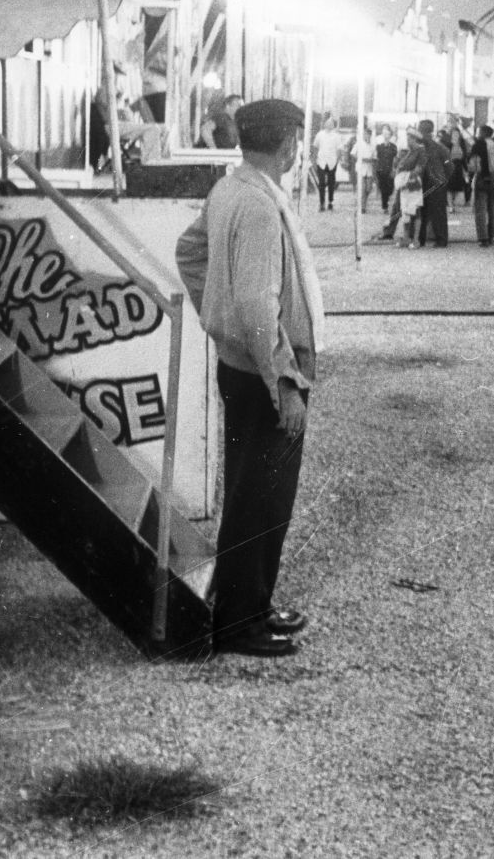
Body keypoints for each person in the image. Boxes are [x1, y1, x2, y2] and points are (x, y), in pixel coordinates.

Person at [174, 98, 324, 658]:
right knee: (262, 501)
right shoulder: (259, 207)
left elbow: (189, 252)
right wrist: (284, 382)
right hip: (266, 376)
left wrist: (218, 318)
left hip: (240, 366)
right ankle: (240, 623)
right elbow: (260, 307)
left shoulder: (230, 189)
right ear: (288, 144)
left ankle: (251, 606)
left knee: (249, 494)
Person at [414, 119, 452, 247]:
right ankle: (441, 240)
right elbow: (450, 166)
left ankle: (420, 239)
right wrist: (444, 178)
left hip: (422, 183)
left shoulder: (419, 146)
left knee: (421, 212)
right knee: (439, 213)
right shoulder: (441, 147)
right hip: (438, 183)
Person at [470, 123, 494, 247]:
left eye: (478, 132)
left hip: (481, 176)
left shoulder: (478, 145)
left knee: (480, 208)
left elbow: (473, 162)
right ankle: (491, 235)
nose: (477, 134)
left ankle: (483, 237)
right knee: (492, 208)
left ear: (484, 133)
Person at [312, 114, 344, 212]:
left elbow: (339, 149)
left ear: (333, 125)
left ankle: (330, 202)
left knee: (331, 183)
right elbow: (315, 147)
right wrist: (315, 159)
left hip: (332, 162)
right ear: (325, 124)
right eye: (327, 123)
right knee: (321, 183)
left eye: (331, 124)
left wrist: (337, 160)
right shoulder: (320, 134)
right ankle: (322, 203)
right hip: (321, 161)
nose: (329, 125)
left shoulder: (336, 136)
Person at [372, 124, 398, 216]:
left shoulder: (394, 147)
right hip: (381, 170)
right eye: (385, 135)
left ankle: (386, 200)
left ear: (390, 136)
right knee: (383, 189)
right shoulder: (379, 147)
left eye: (388, 135)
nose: (386, 136)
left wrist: (394, 169)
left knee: (390, 189)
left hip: (390, 170)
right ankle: (385, 206)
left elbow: (395, 159)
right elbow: (376, 158)